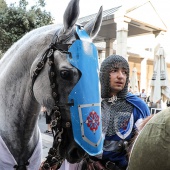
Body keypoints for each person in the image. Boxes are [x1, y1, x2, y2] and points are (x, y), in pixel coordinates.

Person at [85, 55, 150, 170]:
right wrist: (88, 160)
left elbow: (144, 147)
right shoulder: (91, 103)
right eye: (114, 71)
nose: (120, 76)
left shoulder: (138, 107)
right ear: (104, 74)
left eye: (124, 72)